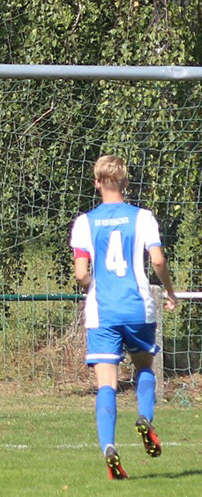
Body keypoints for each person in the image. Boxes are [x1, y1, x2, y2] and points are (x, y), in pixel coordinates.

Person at [69, 155, 177, 480]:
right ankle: (144, 417)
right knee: (144, 366)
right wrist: (169, 291)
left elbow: (80, 274)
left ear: (97, 183)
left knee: (106, 384)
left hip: (102, 310)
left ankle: (109, 448)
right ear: (126, 183)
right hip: (137, 306)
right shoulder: (142, 217)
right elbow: (157, 260)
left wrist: (94, 287)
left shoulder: (84, 222)